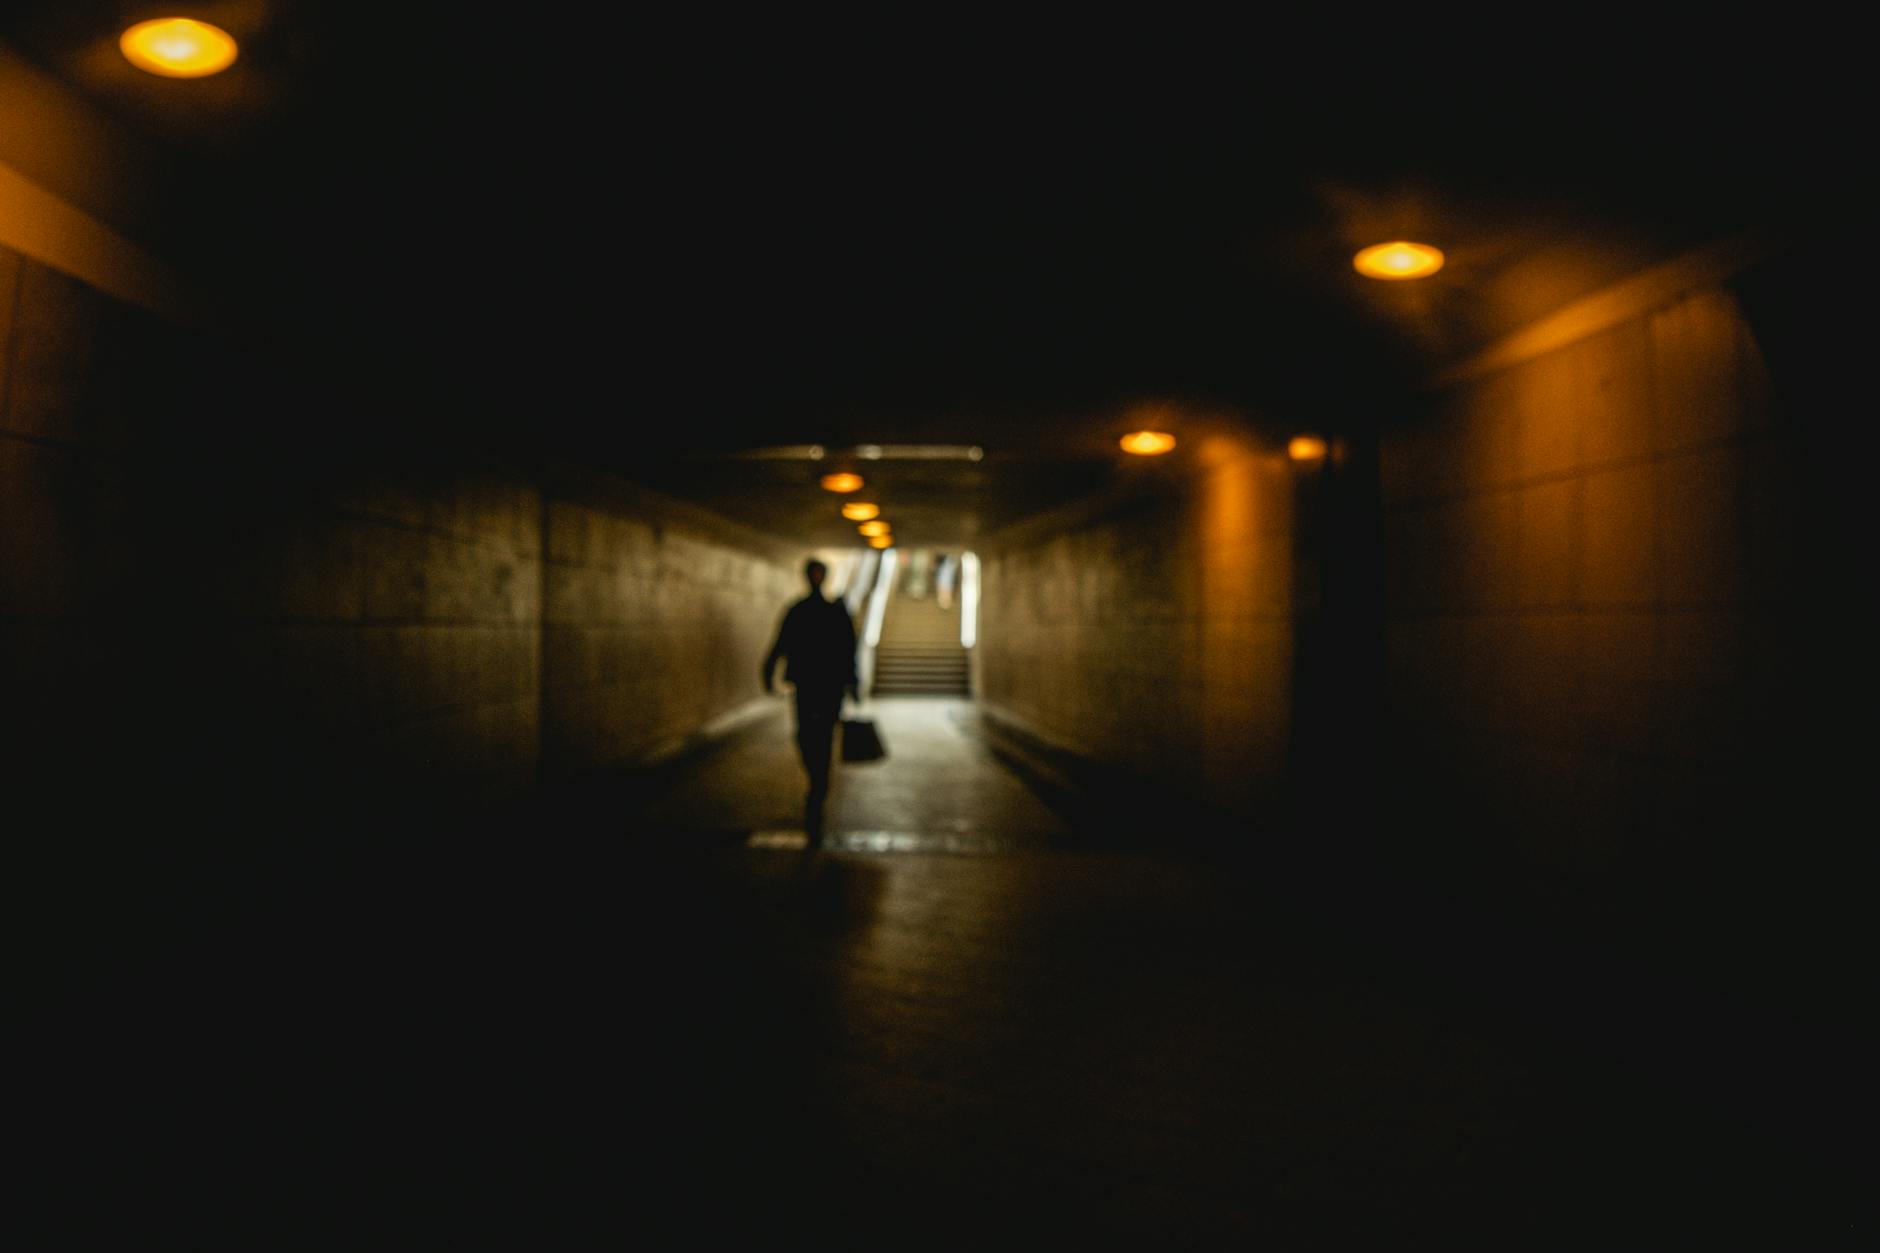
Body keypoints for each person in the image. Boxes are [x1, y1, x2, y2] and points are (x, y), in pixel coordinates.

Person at [761, 559, 859, 848]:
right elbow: (781, 643)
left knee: (819, 736)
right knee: (807, 736)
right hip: (811, 686)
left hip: (824, 688)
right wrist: (768, 670)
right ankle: (817, 780)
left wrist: (852, 682)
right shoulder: (804, 610)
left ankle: (818, 787)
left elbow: (847, 649)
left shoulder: (819, 611)